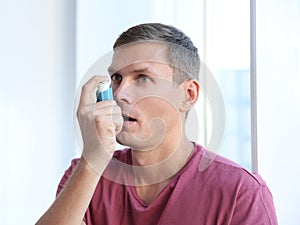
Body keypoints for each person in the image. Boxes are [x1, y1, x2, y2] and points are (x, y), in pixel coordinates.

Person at [36, 23, 278, 225]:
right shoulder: (86, 176)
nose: (120, 94)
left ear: (188, 95)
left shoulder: (241, 194)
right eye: (117, 78)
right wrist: (92, 160)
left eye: (142, 78)